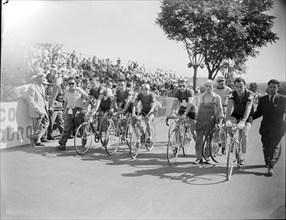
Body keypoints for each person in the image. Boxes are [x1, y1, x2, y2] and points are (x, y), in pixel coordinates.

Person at [253, 79, 286, 176]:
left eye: (274, 87)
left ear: (277, 88)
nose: (272, 89)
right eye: (270, 87)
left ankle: (271, 167)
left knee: (274, 148)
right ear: (268, 87)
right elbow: (259, 113)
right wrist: (247, 119)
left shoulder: (283, 99)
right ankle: (268, 161)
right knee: (266, 147)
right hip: (265, 128)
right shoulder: (262, 99)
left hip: (278, 128)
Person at [225, 77, 255, 167]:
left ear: (244, 86)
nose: (239, 89)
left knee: (244, 133)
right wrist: (227, 120)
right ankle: (234, 145)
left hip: (247, 115)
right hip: (236, 113)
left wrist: (243, 121)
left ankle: (242, 156)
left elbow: (248, 107)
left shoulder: (250, 93)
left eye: (241, 86)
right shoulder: (232, 93)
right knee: (229, 128)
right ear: (234, 87)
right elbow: (229, 107)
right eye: (237, 87)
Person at [194, 80, 224, 164]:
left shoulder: (217, 97)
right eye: (206, 86)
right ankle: (198, 158)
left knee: (209, 140)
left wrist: (220, 120)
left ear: (213, 87)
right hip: (200, 120)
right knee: (199, 140)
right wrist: (196, 117)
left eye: (210, 86)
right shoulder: (202, 96)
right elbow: (199, 106)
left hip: (211, 121)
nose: (208, 88)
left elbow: (220, 109)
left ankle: (207, 157)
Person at [57, 77, 88, 150]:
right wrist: (64, 111)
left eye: (73, 83)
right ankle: (62, 144)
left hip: (79, 111)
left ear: (75, 83)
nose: (71, 85)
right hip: (70, 111)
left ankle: (84, 143)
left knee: (82, 128)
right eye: (69, 83)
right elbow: (66, 102)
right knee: (67, 128)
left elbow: (88, 99)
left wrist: (85, 108)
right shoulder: (67, 92)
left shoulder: (80, 90)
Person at [27, 72, 50, 146]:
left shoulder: (42, 86)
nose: (44, 79)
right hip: (37, 111)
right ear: (38, 78)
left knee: (46, 123)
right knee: (37, 126)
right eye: (43, 78)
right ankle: (36, 140)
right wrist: (38, 110)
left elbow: (43, 98)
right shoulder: (32, 87)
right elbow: (31, 101)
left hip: (44, 108)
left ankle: (34, 136)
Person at [47, 74, 65, 140]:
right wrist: (51, 106)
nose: (66, 82)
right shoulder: (58, 87)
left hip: (60, 107)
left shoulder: (65, 88)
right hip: (55, 106)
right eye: (65, 81)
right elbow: (53, 97)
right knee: (51, 121)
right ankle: (49, 135)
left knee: (61, 121)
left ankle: (63, 134)